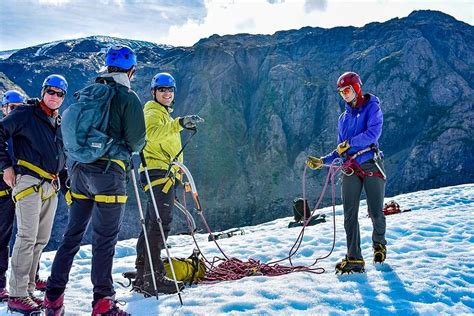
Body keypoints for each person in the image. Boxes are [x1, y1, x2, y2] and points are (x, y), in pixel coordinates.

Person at [44, 46, 146, 316]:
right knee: (104, 240)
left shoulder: (90, 91)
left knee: (71, 237)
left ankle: (53, 298)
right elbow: (136, 140)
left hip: (79, 173)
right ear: (131, 71)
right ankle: (103, 301)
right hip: (108, 175)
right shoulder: (127, 97)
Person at [306, 71, 387, 274]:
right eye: (341, 91)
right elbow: (340, 149)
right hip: (350, 168)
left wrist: (350, 144)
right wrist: (323, 161)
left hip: (370, 164)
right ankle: (355, 258)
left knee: (375, 211)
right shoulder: (343, 119)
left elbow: (372, 134)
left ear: (357, 88)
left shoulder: (372, 108)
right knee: (349, 214)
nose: (344, 94)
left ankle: (379, 244)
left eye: (347, 90)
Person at [0, 76, 67, 314]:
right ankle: (17, 294)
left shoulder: (56, 120)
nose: (55, 96)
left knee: (40, 240)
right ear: (43, 91)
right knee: (27, 237)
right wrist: (6, 166)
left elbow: (61, 155)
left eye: (60, 94)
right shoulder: (26, 113)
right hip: (28, 180)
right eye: (51, 91)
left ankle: (27, 290)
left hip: (50, 185)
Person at [132, 72, 203, 295]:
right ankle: (154, 278)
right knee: (160, 224)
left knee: (153, 222)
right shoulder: (152, 112)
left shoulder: (162, 114)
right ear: (154, 92)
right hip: (157, 173)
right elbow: (151, 135)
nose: (167, 93)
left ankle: (143, 272)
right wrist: (179, 124)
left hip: (161, 173)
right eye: (162, 90)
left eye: (170, 90)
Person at [0, 90, 24, 302]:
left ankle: (28, 278)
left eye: (18, 108)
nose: (14, 111)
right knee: (2, 239)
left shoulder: (21, 132)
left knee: (26, 236)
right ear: (4, 108)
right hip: (3, 194)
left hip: (22, 191)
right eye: (11, 107)